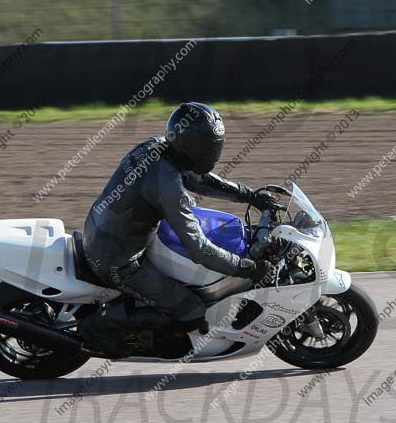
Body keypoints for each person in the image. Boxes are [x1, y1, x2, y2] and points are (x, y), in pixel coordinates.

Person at [81, 102, 282, 355]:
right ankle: (97, 329)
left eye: (215, 144)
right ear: (190, 146)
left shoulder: (156, 147)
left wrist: (250, 196)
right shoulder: (168, 187)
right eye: (207, 146)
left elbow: (199, 179)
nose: (213, 151)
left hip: (106, 232)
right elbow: (199, 250)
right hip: (118, 261)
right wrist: (248, 269)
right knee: (190, 309)